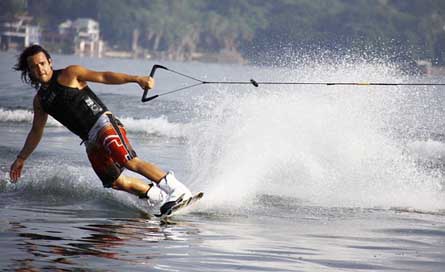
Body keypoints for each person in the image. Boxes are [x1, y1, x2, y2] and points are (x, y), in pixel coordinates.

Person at [9, 44, 192, 214]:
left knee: (128, 161)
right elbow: (36, 131)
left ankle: (177, 189)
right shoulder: (40, 101)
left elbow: (104, 76)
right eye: (34, 67)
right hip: (90, 140)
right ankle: (158, 198)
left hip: (103, 123)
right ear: (30, 71)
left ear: (50, 62)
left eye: (42, 63)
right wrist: (21, 158)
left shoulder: (70, 74)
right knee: (116, 181)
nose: (40, 69)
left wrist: (136, 79)